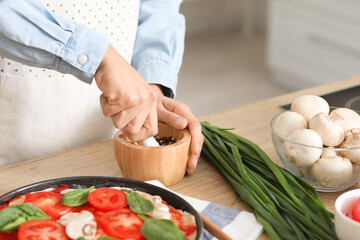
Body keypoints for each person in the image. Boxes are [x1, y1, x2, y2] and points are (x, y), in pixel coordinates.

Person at [0, 0, 203, 174]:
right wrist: (98, 57)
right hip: (13, 142)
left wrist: (151, 86)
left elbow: (158, 6)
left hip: (108, 140)